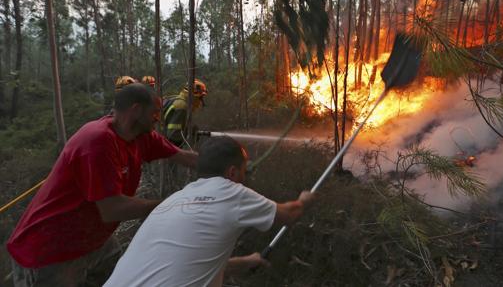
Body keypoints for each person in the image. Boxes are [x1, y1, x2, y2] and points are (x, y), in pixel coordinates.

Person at [6, 83, 198, 287]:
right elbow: (112, 209)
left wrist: (226, 163)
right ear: (136, 110)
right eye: (155, 112)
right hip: (50, 250)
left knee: (116, 267)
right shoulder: (97, 142)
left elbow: (183, 156)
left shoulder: (141, 137)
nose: (158, 118)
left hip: (90, 239)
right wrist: (172, 204)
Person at [104, 136, 313, 287]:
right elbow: (290, 214)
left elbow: (186, 263)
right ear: (232, 172)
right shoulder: (231, 192)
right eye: (243, 170)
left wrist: (245, 262)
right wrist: (304, 199)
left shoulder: (174, 200)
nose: (244, 177)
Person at [163, 79, 208, 146]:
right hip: (162, 144)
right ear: (194, 96)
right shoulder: (181, 107)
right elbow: (173, 136)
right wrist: (189, 136)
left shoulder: (178, 100)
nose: (201, 101)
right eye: (200, 98)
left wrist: (188, 129)